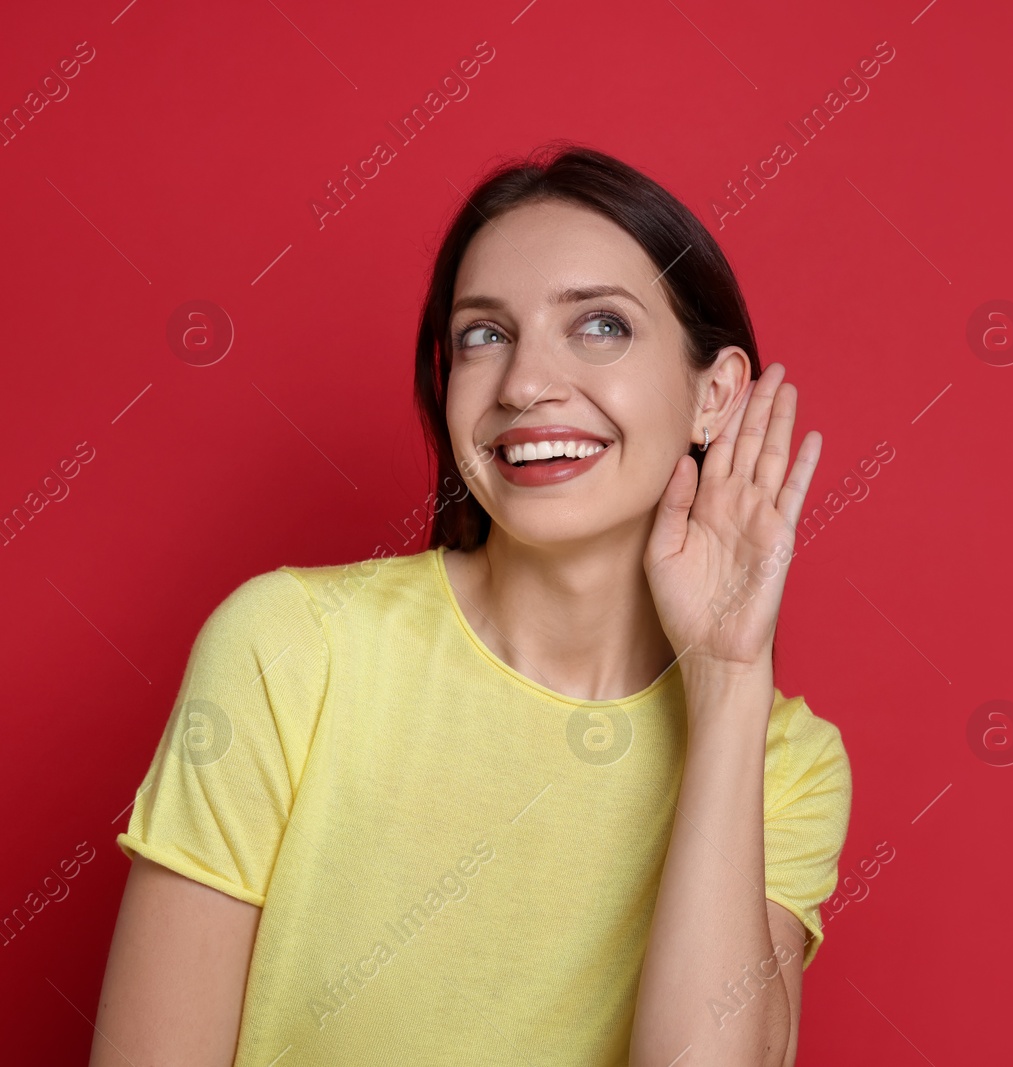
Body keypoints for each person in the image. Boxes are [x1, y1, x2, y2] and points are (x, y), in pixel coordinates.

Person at [90, 143, 852, 1067]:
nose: (526, 384)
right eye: (484, 335)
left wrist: (729, 678)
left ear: (715, 395)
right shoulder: (289, 649)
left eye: (600, 325)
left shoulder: (786, 764)